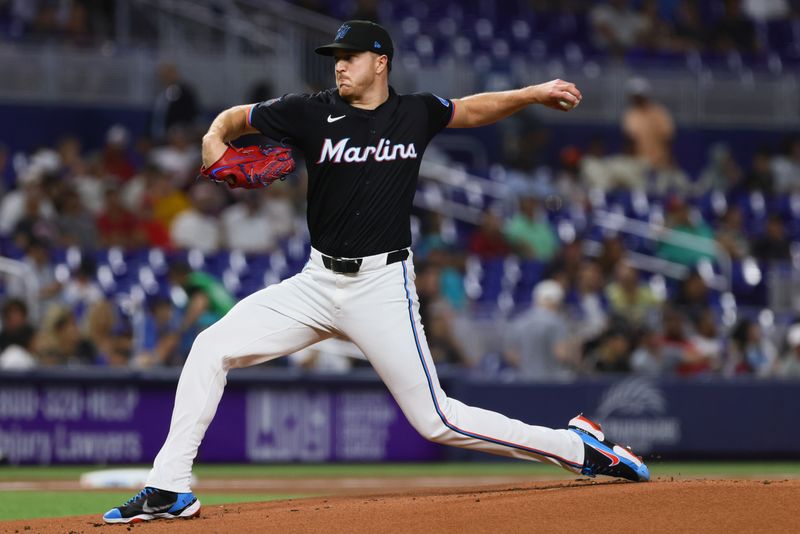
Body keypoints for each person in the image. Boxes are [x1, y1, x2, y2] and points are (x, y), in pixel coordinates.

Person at [103, 20, 649, 525]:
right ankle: (171, 486)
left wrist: (530, 93)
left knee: (438, 421)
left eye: (350, 56)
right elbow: (235, 117)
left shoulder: (414, 112)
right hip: (316, 283)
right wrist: (214, 139)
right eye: (335, 57)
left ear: (381, 61)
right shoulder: (309, 111)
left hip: (381, 286)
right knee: (210, 347)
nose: (339, 65)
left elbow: (470, 109)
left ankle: (579, 448)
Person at [506, 280, 581, 381]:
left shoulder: (519, 322)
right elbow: (561, 354)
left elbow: (511, 355)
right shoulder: (557, 322)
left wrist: (529, 366)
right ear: (555, 301)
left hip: (526, 382)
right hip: (552, 383)